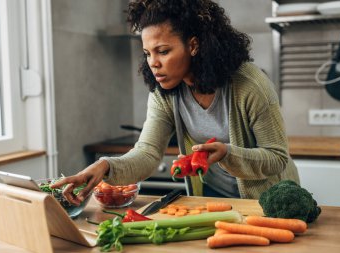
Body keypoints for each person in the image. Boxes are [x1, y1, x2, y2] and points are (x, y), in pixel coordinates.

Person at [52, 0, 299, 205]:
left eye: (163, 51)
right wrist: (104, 166)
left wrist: (227, 153)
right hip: (212, 202)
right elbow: (147, 153)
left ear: (193, 45)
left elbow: (277, 158)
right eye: (148, 53)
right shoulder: (165, 94)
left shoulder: (249, 85)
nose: (153, 63)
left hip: (267, 203)